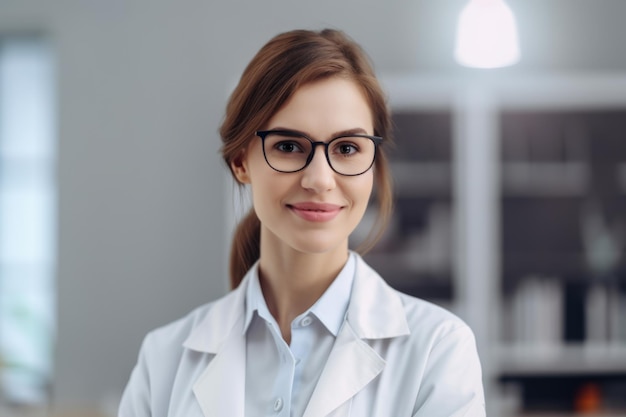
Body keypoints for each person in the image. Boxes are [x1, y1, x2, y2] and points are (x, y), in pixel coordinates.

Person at [118, 28, 486, 417]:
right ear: (242, 161)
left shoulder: (438, 350)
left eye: (347, 149)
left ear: (373, 166)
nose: (320, 180)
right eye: (289, 146)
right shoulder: (164, 360)